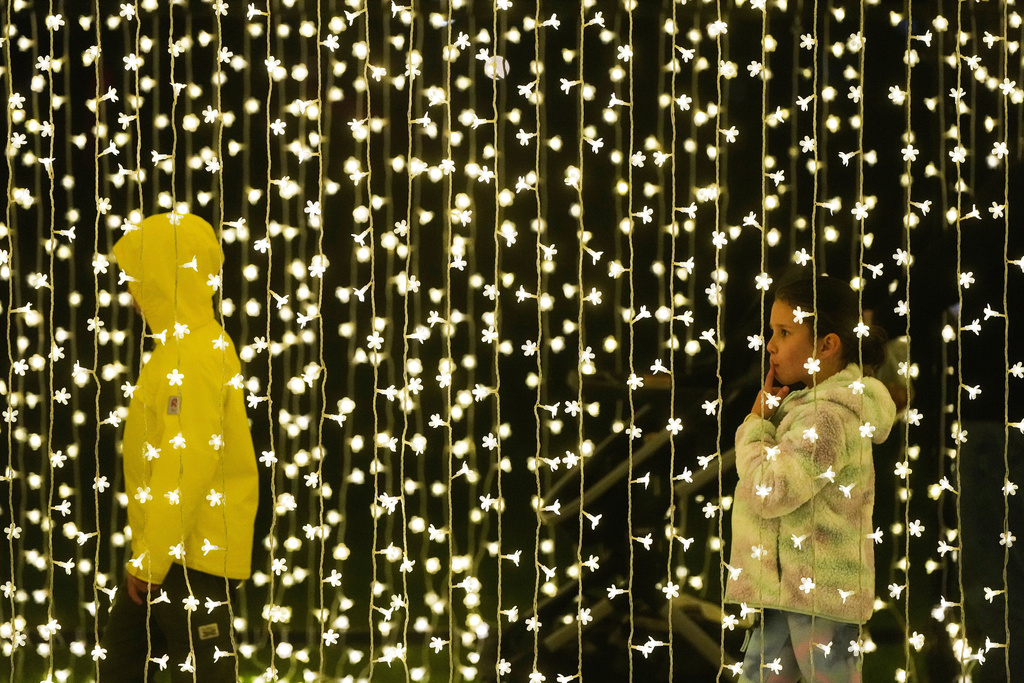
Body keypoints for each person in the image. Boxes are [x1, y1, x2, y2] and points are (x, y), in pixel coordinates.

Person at [98, 212, 259, 681]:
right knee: (123, 664)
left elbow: (187, 459)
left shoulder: (193, 355)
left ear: (162, 280)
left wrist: (152, 559)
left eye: (137, 278)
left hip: (192, 556)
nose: (131, 292)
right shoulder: (182, 349)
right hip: (171, 552)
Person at [726, 276, 897, 682]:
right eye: (772, 332)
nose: (771, 345)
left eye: (784, 332)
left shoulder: (826, 418)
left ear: (827, 345)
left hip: (820, 598)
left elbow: (772, 490)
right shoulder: (807, 410)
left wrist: (755, 426)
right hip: (788, 592)